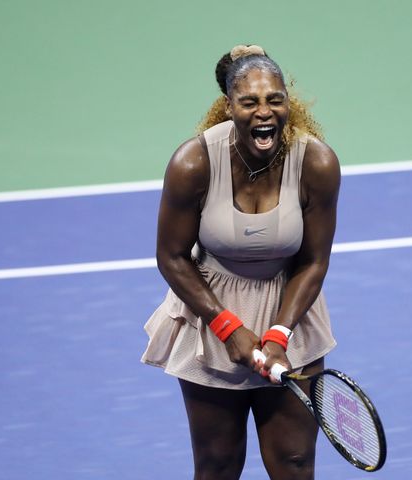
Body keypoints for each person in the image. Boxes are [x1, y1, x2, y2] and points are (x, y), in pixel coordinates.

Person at [141, 44, 341, 480]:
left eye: (275, 100)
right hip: (210, 311)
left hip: (292, 312)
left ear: (290, 103)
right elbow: (171, 257)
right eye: (249, 101)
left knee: (294, 464)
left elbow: (313, 262)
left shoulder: (317, 163)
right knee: (218, 465)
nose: (264, 112)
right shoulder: (192, 163)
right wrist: (228, 327)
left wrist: (279, 333)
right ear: (229, 106)